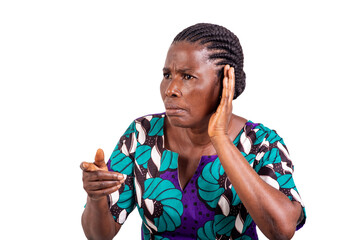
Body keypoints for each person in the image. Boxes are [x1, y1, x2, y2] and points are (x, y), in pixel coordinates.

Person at [80, 23, 306, 240]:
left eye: (187, 76)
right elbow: (99, 235)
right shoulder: (141, 135)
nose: (170, 90)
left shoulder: (260, 143)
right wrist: (96, 198)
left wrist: (220, 139)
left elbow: (282, 230)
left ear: (225, 82)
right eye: (167, 75)